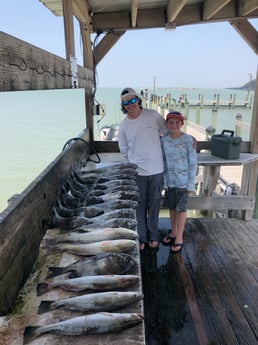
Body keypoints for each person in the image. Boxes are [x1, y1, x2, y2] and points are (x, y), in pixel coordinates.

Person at [118, 87, 168, 250]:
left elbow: (168, 133)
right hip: (137, 171)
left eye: (133, 100)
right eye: (126, 102)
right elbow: (123, 149)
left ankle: (153, 235)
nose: (130, 105)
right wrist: (132, 164)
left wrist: (188, 140)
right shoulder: (124, 125)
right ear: (123, 105)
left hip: (156, 169)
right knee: (138, 204)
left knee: (154, 203)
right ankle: (141, 237)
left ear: (138, 100)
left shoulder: (153, 115)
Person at [161, 111, 197, 254]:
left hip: (183, 183)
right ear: (166, 124)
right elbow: (163, 161)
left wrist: (190, 184)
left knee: (181, 209)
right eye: (171, 122)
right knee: (171, 207)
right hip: (170, 181)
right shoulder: (164, 140)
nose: (174, 125)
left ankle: (180, 237)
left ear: (182, 124)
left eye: (177, 122)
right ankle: (174, 232)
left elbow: (193, 163)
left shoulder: (188, 140)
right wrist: (165, 181)